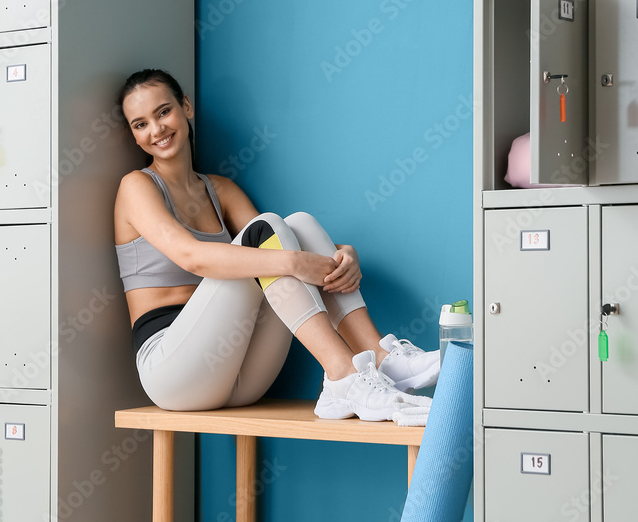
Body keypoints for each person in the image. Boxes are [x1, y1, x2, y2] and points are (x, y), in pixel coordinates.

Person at [114, 68, 440, 420]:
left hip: (238, 376)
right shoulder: (136, 187)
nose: (157, 129)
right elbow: (191, 256)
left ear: (186, 107)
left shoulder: (220, 190)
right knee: (269, 235)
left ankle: (379, 356)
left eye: (163, 112)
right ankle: (343, 376)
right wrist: (295, 263)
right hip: (173, 371)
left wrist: (343, 255)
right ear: (134, 135)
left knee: (297, 224)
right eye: (140, 124)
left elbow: (283, 238)